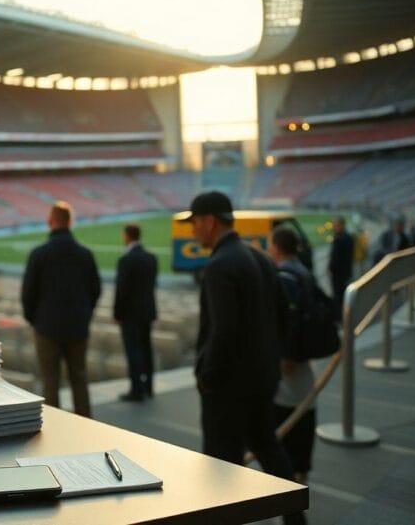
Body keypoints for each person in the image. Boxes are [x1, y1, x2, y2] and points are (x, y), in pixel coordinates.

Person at [184, 191, 305, 525]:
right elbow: (283, 315)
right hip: (262, 378)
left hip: (229, 387)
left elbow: (223, 330)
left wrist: (207, 375)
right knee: (269, 448)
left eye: (195, 222)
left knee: (222, 468)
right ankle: (296, 519)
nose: (193, 230)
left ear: (210, 221)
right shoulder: (261, 257)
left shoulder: (220, 266)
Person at [21, 201, 102, 418]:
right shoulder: (85, 254)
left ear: (50, 221)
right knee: (79, 379)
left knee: (50, 381)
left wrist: (34, 320)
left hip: (46, 327)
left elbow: (28, 293)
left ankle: (55, 428)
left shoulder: (39, 254)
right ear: (70, 222)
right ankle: (86, 424)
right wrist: (85, 314)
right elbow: (96, 289)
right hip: (77, 326)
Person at [269, 227, 318, 485]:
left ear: (277, 247)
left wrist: (285, 354)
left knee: (287, 416)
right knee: (303, 411)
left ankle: (289, 477)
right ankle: (300, 472)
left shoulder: (285, 277)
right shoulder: (303, 271)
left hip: (290, 362)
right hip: (304, 359)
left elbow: (287, 320)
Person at [113, 224, 158, 402]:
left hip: (130, 314)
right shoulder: (151, 258)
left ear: (127, 236)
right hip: (147, 311)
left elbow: (121, 290)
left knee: (133, 352)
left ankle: (136, 390)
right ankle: (149, 387)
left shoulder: (126, 260)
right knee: (146, 349)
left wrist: (117, 313)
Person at [328, 216, 354, 320]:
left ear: (341, 225)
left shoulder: (338, 239)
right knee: (343, 295)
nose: (334, 227)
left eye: (336, 225)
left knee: (338, 296)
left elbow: (335, 258)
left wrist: (331, 268)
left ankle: (340, 317)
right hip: (346, 272)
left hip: (338, 274)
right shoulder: (348, 237)